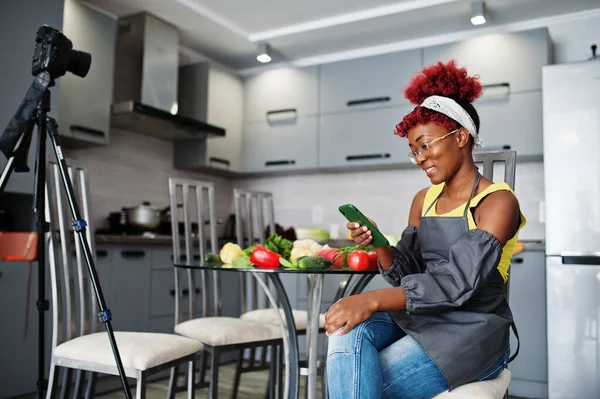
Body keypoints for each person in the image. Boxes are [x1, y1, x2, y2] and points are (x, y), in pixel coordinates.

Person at [324, 60, 526, 399]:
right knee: (346, 334)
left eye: (425, 145)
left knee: (361, 384)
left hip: (474, 330)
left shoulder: (498, 201)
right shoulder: (424, 199)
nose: (419, 158)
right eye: (413, 150)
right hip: (424, 318)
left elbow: (455, 281)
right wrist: (379, 244)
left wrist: (371, 299)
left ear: (461, 137)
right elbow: (406, 275)